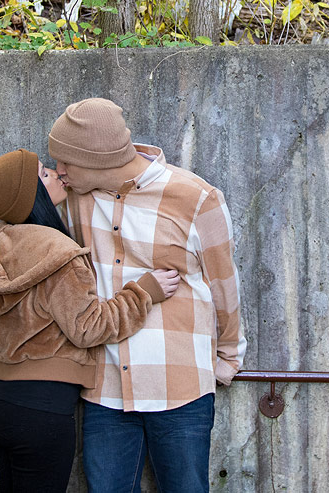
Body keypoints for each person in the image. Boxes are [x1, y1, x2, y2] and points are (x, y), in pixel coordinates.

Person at [46, 98, 246, 493]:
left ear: (99, 158)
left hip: (181, 386)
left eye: (66, 161)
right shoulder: (74, 197)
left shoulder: (196, 198)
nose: (59, 171)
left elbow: (224, 284)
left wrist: (228, 357)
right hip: (105, 388)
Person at [0, 148, 181, 493]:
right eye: (45, 174)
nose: (55, 172)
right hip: (43, 410)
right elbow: (89, 327)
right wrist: (144, 292)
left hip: (1, 403)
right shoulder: (60, 254)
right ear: (31, 195)